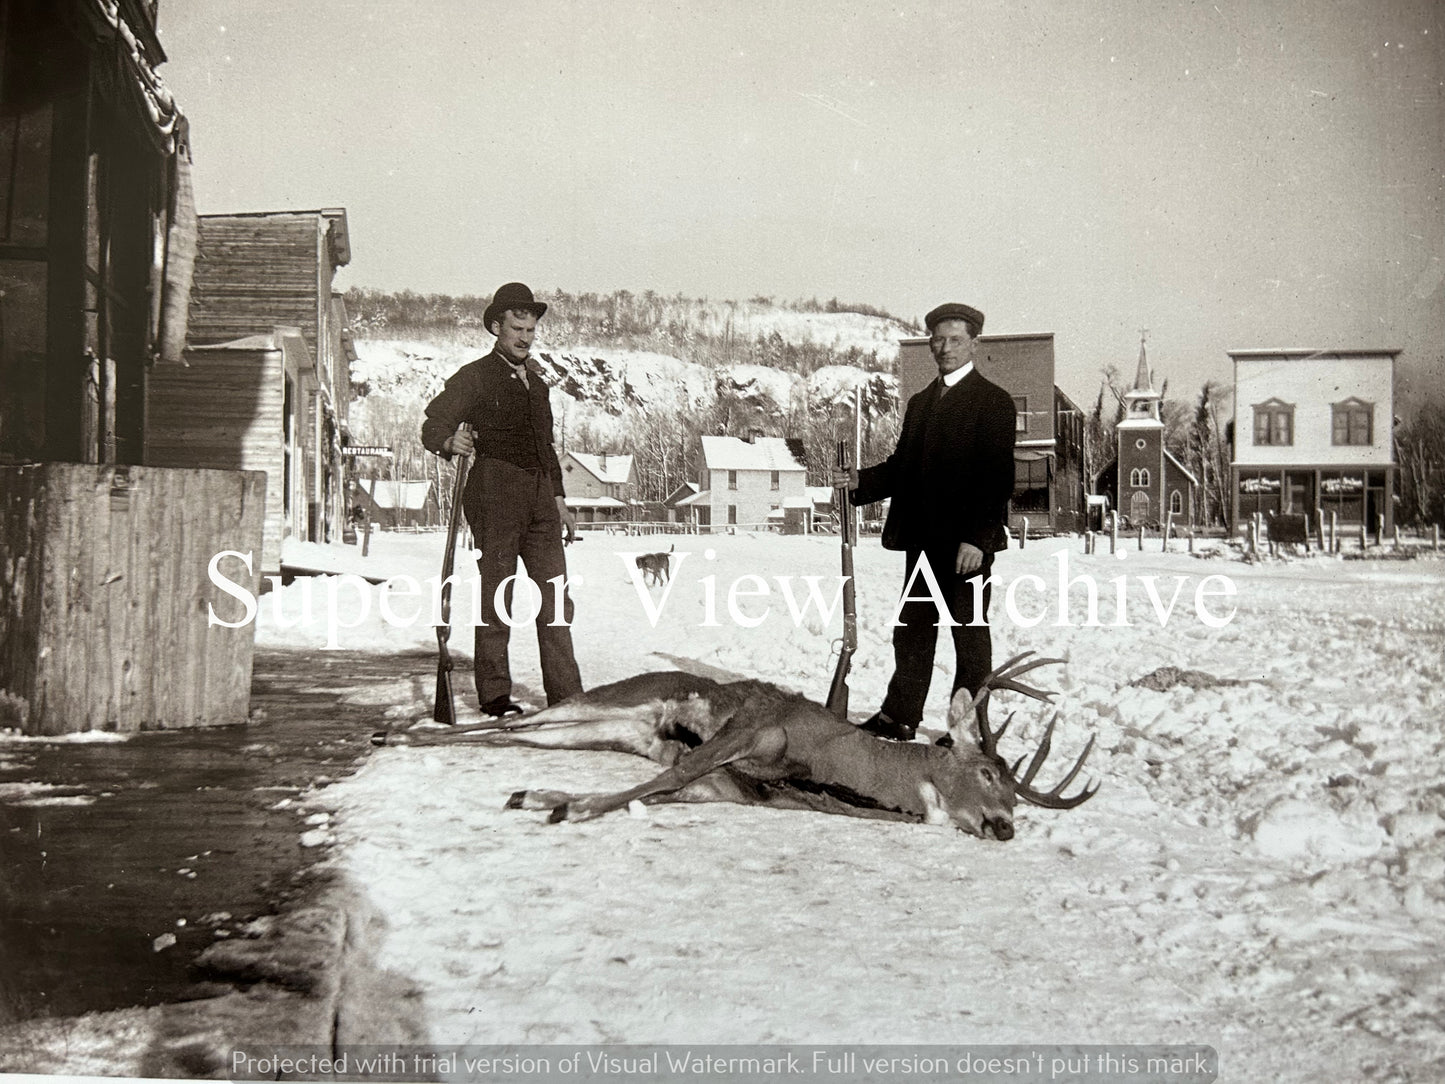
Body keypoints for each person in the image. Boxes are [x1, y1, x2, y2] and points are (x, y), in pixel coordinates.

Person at [838, 301, 1015, 742]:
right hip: (922, 541)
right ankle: (899, 716)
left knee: (968, 636)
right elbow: (903, 468)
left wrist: (978, 538)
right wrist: (859, 481)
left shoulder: (993, 402)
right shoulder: (920, 403)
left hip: (965, 549)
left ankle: (968, 731)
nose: (945, 347)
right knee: (912, 632)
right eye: (938, 339)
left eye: (956, 340)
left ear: (975, 343)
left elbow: (997, 478)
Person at [420, 282, 583, 716]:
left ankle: (567, 698)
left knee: (556, 596)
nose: (525, 337)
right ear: (497, 327)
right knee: (499, 594)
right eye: (517, 327)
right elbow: (434, 421)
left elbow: (546, 447)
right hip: (495, 489)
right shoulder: (474, 376)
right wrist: (447, 440)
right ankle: (494, 695)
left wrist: (560, 500)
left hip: (540, 496)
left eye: (531, 329)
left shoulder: (540, 386)